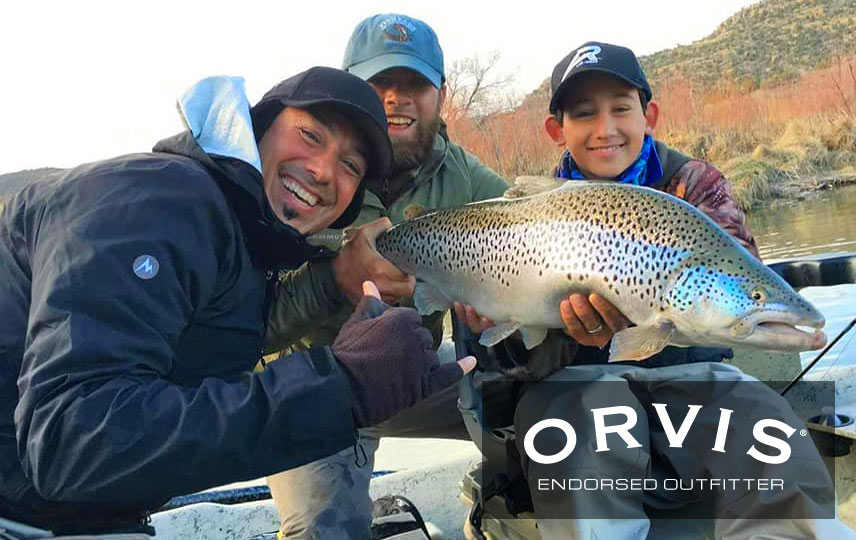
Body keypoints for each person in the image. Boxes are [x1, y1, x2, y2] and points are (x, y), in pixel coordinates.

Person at [0, 66, 474, 537]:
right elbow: (69, 441)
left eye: (351, 166)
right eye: (309, 135)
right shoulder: (161, 198)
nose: (324, 170)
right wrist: (340, 386)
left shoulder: (247, 241)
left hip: (76, 513)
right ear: (258, 127)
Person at [480, 42, 850, 540]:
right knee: (578, 437)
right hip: (576, 389)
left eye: (620, 108)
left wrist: (753, 305)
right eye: (584, 114)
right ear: (556, 130)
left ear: (648, 114)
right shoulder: (524, 217)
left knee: (771, 433)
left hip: (692, 376)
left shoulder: (696, 185)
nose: (605, 128)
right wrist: (495, 318)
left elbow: (738, 283)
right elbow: (509, 360)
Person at [263, 13, 510, 540]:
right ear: (352, 89)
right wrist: (333, 281)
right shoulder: (303, 175)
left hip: (416, 376)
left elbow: (533, 232)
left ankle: (496, 508)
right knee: (324, 529)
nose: (398, 98)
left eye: (415, 84)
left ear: (441, 95)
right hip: (310, 387)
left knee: (552, 414)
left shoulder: (474, 182)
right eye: (381, 84)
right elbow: (245, 332)